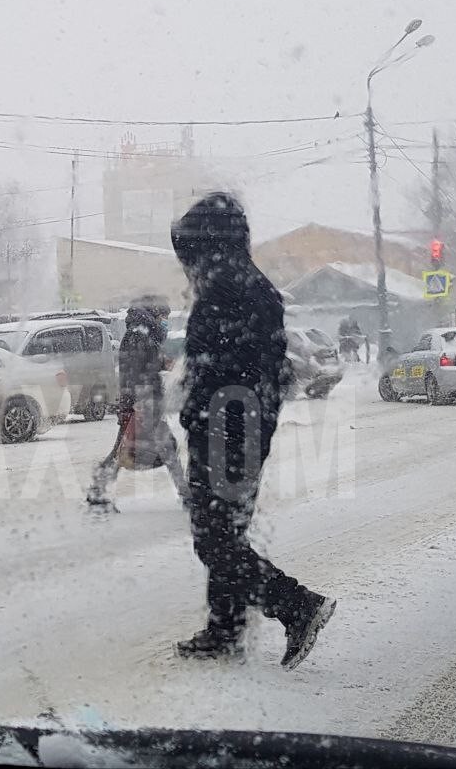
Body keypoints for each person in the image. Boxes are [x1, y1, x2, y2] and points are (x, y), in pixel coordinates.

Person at [171, 192, 335, 667]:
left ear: (209, 243)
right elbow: (266, 368)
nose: (188, 265)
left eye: (192, 251)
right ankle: (225, 630)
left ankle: (296, 605)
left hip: (227, 428)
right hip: (242, 425)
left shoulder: (228, 288)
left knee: (215, 540)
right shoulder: (249, 285)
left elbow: (221, 368)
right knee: (226, 534)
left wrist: (202, 413)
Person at [86, 294, 188, 510]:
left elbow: (143, 365)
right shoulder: (139, 335)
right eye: (163, 316)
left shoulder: (143, 334)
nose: (165, 321)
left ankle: (98, 490)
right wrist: (139, 401)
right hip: (141, 402)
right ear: (154, 314)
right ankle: (187, 494)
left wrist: (161, 362)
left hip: (141, 401)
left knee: (131, 449)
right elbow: (134, 371)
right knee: (158, 449)